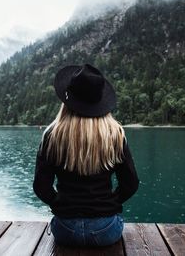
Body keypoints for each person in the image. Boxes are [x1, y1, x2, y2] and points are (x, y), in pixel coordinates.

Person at [33, 63, 139, 247]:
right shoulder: (115, 135)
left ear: (67, 102)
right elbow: (130, 184)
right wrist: (109, 204)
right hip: (105, 230)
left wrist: (58, 203)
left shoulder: (52, 135)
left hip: (65, 230)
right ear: (100, 102)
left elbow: (41, 186)